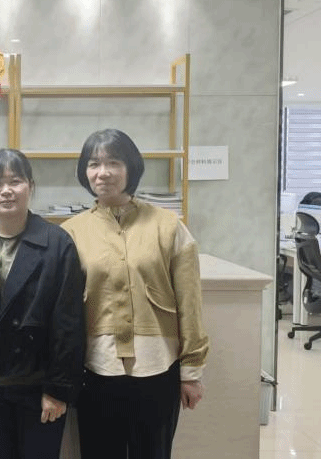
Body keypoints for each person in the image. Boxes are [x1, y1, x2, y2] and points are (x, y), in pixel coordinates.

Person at [60, 129, 209, 459]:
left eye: (114, 162)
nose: (103, 172)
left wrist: (191, 372)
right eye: (94, 164)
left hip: (158, 367)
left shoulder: (168, 226)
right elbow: (64, 314)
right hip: (96, 369)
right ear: (84, 171)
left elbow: (190, 303)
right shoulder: (70, 233)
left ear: (132, 168)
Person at [0, 149, 85, 459]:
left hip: (39, 389)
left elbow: (69, 324)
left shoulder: (57, 244)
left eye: (15, 181)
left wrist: (57, 390)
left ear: (31, 187)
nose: (6, 190)